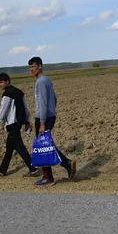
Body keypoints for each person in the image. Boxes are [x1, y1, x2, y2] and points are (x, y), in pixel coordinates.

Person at [28, 56, 76, 186]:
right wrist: (52, 111)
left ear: (40, 66)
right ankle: (67, 164)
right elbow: (54, 98)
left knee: (42, 147)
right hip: (49, 115)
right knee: (47, 145)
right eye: (30, 67)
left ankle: (48, 177)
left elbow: (43, 103)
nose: (31, 69)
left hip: (43, 117)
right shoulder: (47, 80)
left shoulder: (40, 81)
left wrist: (42, 122)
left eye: (33, 66)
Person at [0, 73, 40, 178]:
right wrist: (26, 122)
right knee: (9, 148)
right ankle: (2, 170)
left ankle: (33, 168)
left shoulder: (7, 95)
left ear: (7, 81)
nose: (0, 85)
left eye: (1, 82)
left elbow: (2, 111)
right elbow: (26, 109)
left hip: (12, 125)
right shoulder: (19, 92)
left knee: (20, 148)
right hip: (18, 124)